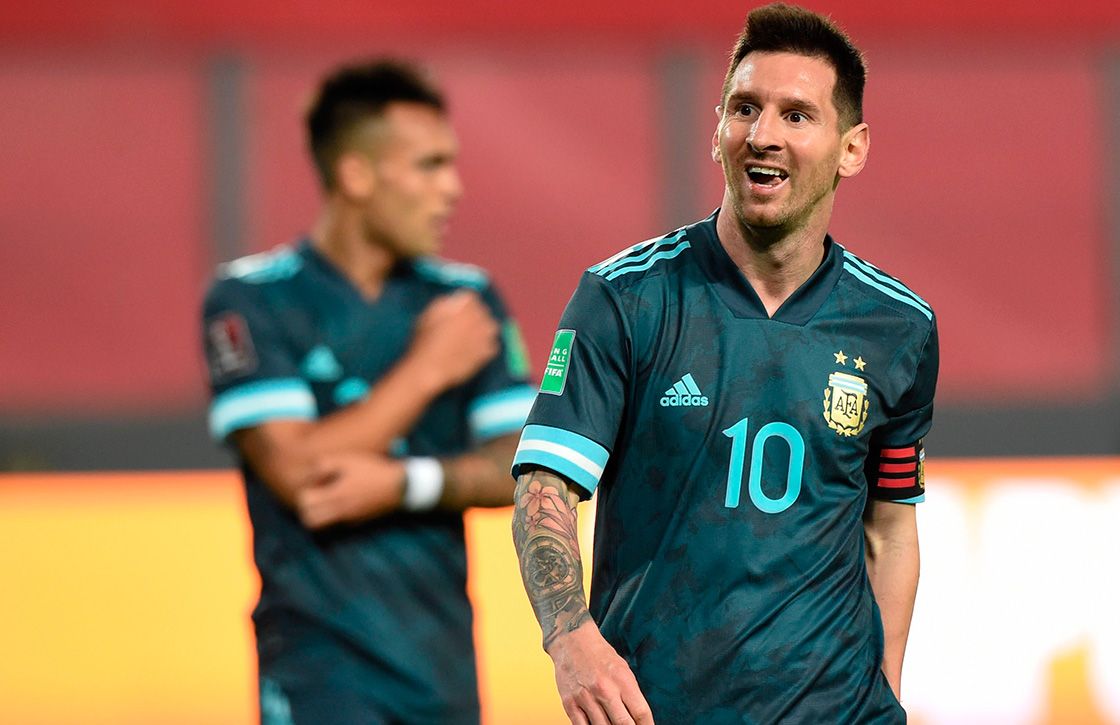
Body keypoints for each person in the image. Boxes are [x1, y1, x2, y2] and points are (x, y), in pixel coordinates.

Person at [510, 4, 938, 723]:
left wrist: (885, 688)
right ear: (717, 131)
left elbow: (890, 525)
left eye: (797, 115)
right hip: (658, 707)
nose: (762, 135)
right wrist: (569, 635)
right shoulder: (626, 298)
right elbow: (543, 484)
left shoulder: (898, 327)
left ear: (852, 148)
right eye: (745, 108)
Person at [201, 60, 536, 725]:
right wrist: (427, 369)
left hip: (443, 673)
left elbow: (524, 464)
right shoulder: (252, 300)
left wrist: (404, 482)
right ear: (356, 174)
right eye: (429, 166)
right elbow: (299, 471)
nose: (453, 188)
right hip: (318, 670)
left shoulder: (465, 298)